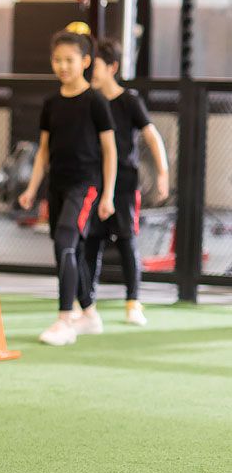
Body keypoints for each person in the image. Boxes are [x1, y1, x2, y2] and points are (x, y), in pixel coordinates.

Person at [19, 30, 116, 347]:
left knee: (65, 242)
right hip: (57, 186)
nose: (62, 66)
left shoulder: (96, 102)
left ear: (85, 62)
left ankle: (65, 319)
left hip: (85, 185)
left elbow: (110, 151)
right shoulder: (51, 103)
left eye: (69, 60)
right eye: (57, 60)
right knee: (65, 250)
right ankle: (89, 313)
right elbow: (43, 150)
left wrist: (109, 194)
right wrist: (32, 188)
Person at [76, 38, 170, 328]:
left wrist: (162, 173)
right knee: (91, 243)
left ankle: (133, 303)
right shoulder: (90, 101)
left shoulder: (129, 101)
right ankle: (86, 306)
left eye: (98, 64)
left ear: (113, 67)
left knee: (128, 240)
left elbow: (152, 136)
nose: (91, 69)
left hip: (126, 184)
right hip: (96, 182)